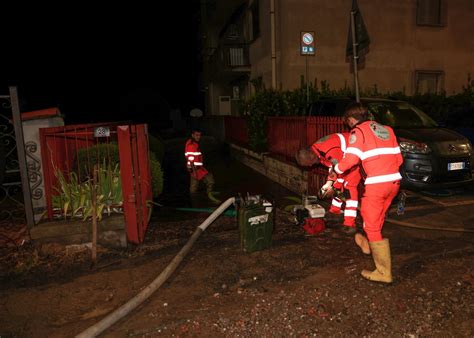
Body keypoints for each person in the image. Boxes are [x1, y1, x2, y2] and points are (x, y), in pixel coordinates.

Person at [332, 102, 403, 284]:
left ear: (350, 120)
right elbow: (399, 158)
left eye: (347, 121)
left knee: (370, 223)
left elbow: (351, 159)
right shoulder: (387, 129)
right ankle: (368, 243)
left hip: (376, 185)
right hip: (394, 182)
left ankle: (383, 273)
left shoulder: (358, 132)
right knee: (376, 219)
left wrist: (337, 168)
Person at [295, 133, 361, 235]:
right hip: (344, 162)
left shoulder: (327, 150)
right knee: (336, 187)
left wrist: (332, 185)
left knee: (349, 189)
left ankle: (350, 224)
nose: (310, 165)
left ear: (311, 156)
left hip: (356, 160)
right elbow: (333, 166)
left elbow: (341, 167)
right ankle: (335, 212)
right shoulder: (318, 151)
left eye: (308, 163)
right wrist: (329, 183)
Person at [184, 128, 216, 198]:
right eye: (197, 135)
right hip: (194, 169)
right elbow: (190, 159)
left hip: (199, 169)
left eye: (199, 135)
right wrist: (194, 172)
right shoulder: (191, 145)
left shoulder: (194, 143)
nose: (199, 137)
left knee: (210, 180)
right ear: (192, 135)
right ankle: (194, 201)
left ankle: (208, 194)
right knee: (193, 189)